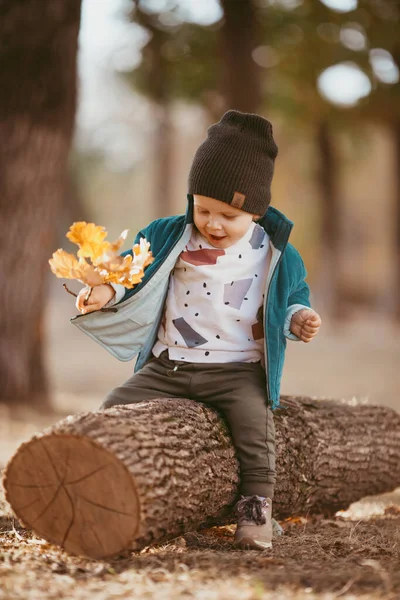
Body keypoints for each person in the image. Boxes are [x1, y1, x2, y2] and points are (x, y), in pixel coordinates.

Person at [74, 110, 322, 550]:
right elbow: (132, 270)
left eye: (228, 215)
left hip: (236, 371)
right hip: (168, 365)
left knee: (256, 433)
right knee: (113, 410)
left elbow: (292, 295)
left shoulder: (273, 252)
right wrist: (105, 293)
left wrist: (298, 317)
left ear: (256, 212)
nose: (212, 223)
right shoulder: (172, 236)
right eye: (203, 208)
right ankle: (95, 488)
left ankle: (255, 513)